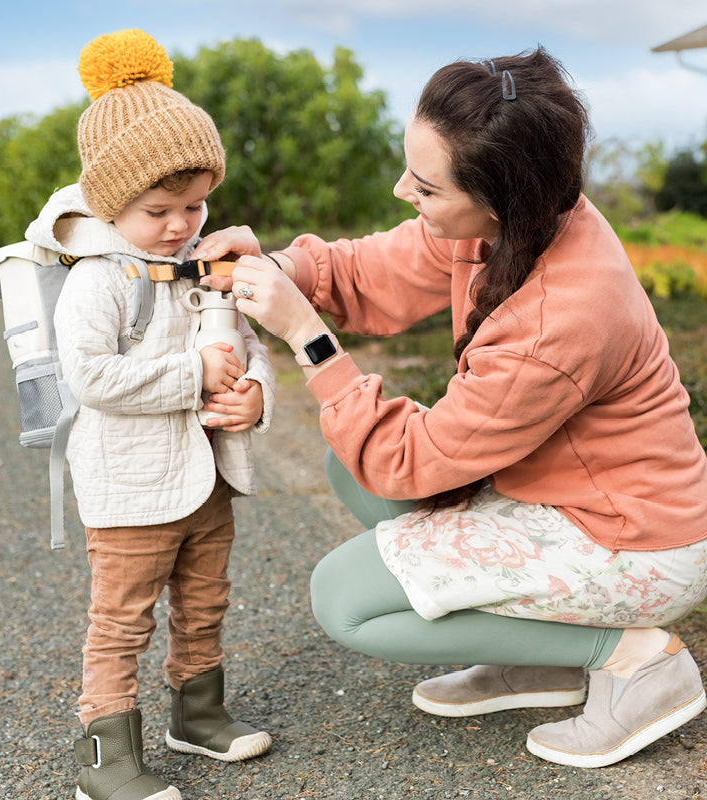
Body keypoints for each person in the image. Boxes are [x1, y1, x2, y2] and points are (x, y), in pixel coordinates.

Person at [193, 46, 707, 770]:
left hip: (634, 541)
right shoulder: (519, 215)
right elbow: (378, 268)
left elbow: (413, 462)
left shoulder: (562, 319)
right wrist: (281, 268)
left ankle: (634, 659)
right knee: (349, 465)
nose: (405, 190)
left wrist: (307, 337)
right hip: (569, 499)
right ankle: (541, 659)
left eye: (427, 187)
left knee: (345, 600)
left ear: (499, 196)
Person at [24, 30, 275, 800]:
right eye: (157, 209)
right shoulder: (98, 279)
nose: (179, 224)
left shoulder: (205, 261)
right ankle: (106, 760)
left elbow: (250, 341)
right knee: (123, 619)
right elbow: (92, 376)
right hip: (130, 488)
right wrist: (191, 374)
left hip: (209, 482)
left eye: (195, 204)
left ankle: (196, 716)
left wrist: (253, 393)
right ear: (110, 202)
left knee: (204, 602)